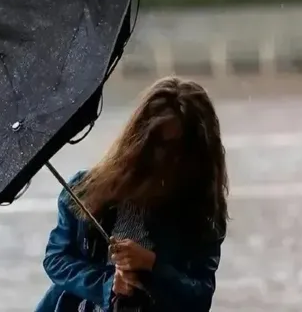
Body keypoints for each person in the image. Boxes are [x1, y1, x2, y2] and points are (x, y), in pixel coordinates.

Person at [35, 77, 229, 312]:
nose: (168, 159)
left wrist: (152, 265)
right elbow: (57, 259)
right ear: (140, 139)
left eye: (181, 149)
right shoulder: (86, 190)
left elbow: (199, 298)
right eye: (160, 145)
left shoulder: (201, 213)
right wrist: (107, 285)